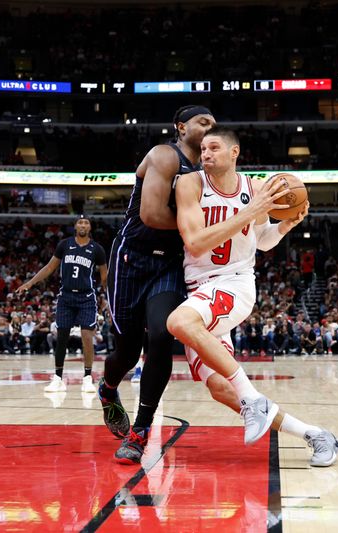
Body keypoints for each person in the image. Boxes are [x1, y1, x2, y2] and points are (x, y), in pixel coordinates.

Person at [166, 126, 338, 467]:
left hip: (235, 283)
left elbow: (261, 240)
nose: (205, 154)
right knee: (221, 388)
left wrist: (284, 227)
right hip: (200, 290)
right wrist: (250, 212)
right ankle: (316, 435)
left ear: (234, 153)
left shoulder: (255, 189)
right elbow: (196, 243)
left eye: (213, 147)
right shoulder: (190, 184)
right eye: (202, 148)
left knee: (178, 321)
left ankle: (253, 401)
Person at [96, 105, 215, 462]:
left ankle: (140, 430)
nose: (211, 128)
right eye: (203, 122)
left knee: (163, 337)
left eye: (214, 125)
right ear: (181, 127)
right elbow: (150, 214)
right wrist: (199, 232)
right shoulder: (165, 156)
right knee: (128, 351)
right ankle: (108, 388)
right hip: (132, 258)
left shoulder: (207, 174)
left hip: (170, 265)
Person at [17, 216, 107, 394]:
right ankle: (58, 378)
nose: (83, 225)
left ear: (90, 228)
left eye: (86, 223)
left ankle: (88, 378)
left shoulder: (97, 249)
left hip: (86, 298)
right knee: (62, 338)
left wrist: (107, 294)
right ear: (75, 226)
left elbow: (104, 276)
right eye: (80, 223)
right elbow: (49, 268)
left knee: (87, 336)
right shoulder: (64, 245)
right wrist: (30, 283)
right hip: (65, 297)